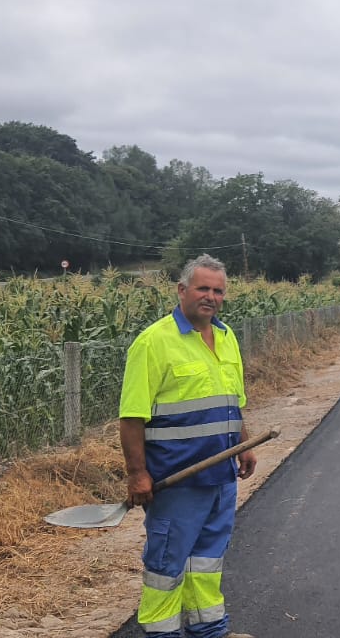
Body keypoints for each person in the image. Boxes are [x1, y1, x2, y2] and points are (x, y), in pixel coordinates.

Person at [120, 254, 257, 638]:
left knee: (207, 560)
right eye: (203, 288)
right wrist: (137, 473)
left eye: (218, 290)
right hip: (177, 479)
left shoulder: (226, 337)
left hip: (220, 475)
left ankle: (210, 630)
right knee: (167, 564)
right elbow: (132, 417)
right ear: (182, 290)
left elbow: (232, 402)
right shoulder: (154, 343)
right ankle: (163, 634)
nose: (210, 296)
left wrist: (243, 445)